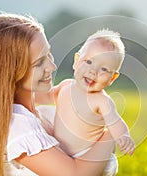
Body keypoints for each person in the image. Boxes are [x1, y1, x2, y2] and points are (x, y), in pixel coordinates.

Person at [0, 13, 115, 176]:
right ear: (9, 72)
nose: (52, 66)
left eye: (48, 53)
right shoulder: (18, 126)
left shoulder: (41, 115)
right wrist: (112, 132)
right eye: (39, 63)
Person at [52, 30, 135, 173]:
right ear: (76, 61)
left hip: (90, 158)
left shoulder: (101, 101)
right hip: (63, 155)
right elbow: (44, 96)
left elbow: (115, 122)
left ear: (112, 78)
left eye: (103, 69)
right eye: (89, 61)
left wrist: (123, 137)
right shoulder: (65, 86)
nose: (93, 71)